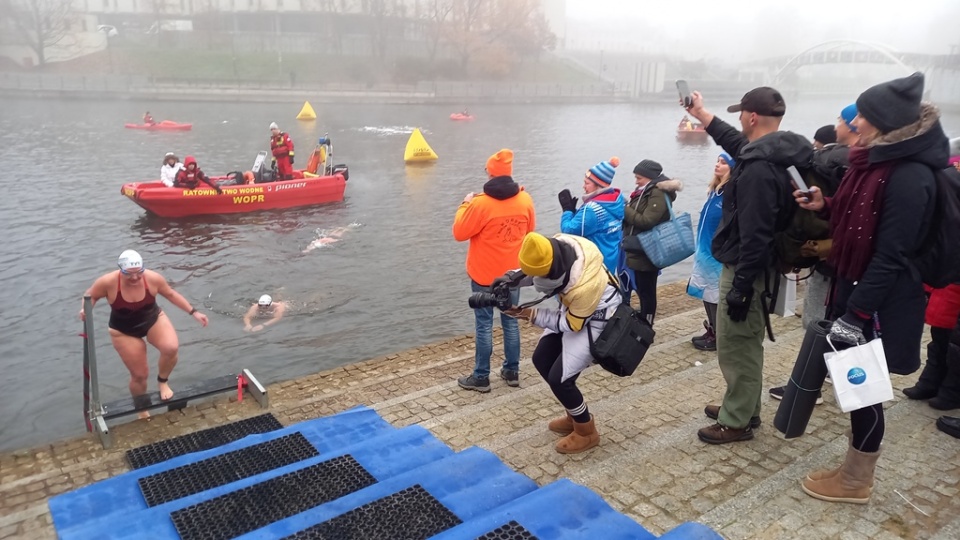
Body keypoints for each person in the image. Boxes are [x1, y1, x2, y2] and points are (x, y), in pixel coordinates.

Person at [795, 72, 948, 503]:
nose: (854, 121)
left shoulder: (909, 175)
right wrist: (825, 205)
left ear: (882, 122)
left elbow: (892, 254)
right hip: (858, 292)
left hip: (878, 303)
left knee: (866, 390)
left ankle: (856, 480)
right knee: (856, 386)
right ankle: (852, 471)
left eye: (862, 115)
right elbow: (858, 221)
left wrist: (855, 315)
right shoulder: (876, 164)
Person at [684, 86, 813, 445]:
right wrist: (701, 113)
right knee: (746, 342)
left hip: (748, 268)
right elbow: (730, 139)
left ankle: (737, 421)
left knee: (737, 344)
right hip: (763, 267)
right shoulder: (778, 153)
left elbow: (755, 234)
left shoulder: (757, 169)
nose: (739, 119)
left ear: (752, 117)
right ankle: (743, 406)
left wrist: (741, 287)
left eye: (742, 113)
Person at [503, 232, 621, 454]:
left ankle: (587, 431)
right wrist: (510, 278)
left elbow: (572, 325)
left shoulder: (583, 286)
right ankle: (573, 415)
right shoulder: (559, 246)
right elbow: (537, 270)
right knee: (541, 359)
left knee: (561, 379)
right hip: (575, 310)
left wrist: (529, 314)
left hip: (598, 319)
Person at [78, 250, 209, 418]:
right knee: (140, 376)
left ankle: (163, 382)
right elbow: (90, 296)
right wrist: (85, 309)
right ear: (120, 270)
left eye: (139, 273)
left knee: (171, 348)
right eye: (128, 274)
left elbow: (170, 294)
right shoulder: (108, 282)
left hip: (153, 319)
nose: (134, 278)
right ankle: (141, 409)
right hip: (123, 331)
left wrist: (194, 312)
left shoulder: (153, 278)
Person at [453, 149, 536, 392]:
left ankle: (481, 377)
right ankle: (512, 372)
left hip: (483, 276)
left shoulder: (479, 204)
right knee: (511, 321)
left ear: (490, 173)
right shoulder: (525, 200)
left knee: (484, 325)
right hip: (513, 276)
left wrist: (464, 204)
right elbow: (530, 232)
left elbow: (459, 233)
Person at [621, 159, 683, 326]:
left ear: (649, 177)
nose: (636, 181)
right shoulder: (645, 191)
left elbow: (648, 220)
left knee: (647, 289)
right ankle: (644, 317)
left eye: (639, 178)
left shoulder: (657, 192)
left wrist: (624, 208)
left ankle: (647, 323)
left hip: (649, 248)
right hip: (640, 247)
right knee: (642, 287)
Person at [687, 153, 734, 351]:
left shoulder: (731, 193)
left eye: (723, 163)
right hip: (704, 251)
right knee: (706, 294)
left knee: (715, 296)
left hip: (717, 255)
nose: (717, 164)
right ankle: (712, 329)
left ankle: (719, 337)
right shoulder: (714, 191)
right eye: (717, 161)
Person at [558, 156, 626, 273]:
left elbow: (568, 231)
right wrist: (576, 213)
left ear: (599, 185)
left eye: (587, 183)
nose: (583, 186)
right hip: (610, 261)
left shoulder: (592, 209)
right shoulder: (618, 201)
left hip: (593, 265)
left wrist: (567, 211)